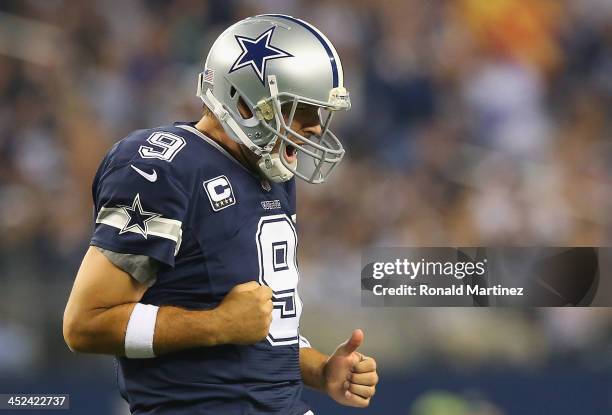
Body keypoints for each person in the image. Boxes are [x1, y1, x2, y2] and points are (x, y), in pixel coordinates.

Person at [63, 14, 378, 415]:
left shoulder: (269, 167)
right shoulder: (164, 168)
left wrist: (320, 370)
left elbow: (256, 325)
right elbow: (85, 324)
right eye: (301, 109)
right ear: (246, 103)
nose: (315, 128)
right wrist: (216, 325)